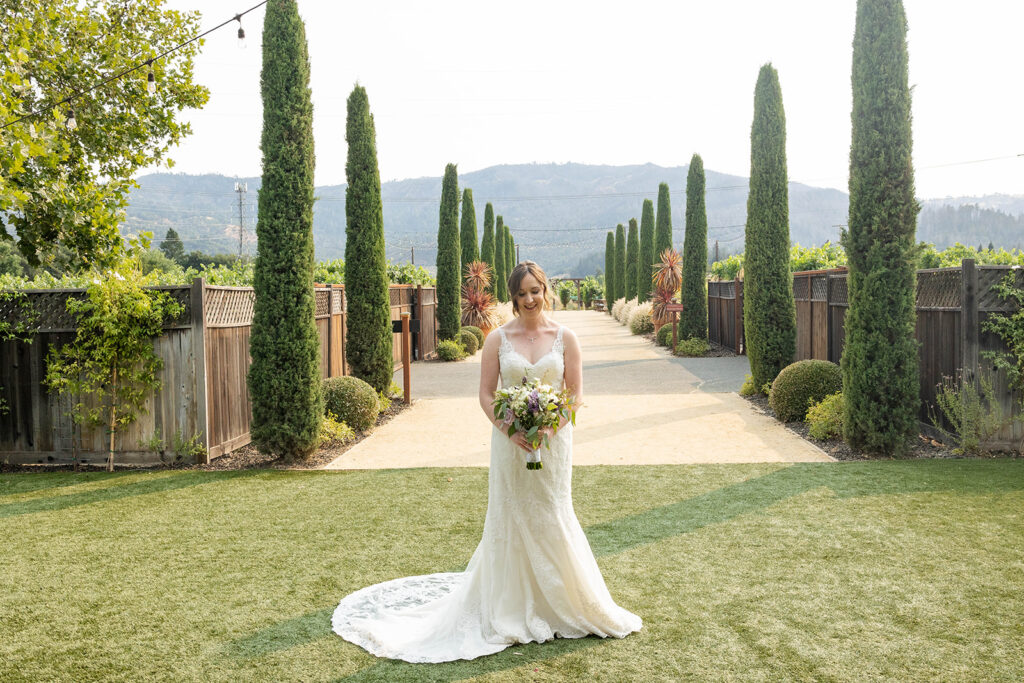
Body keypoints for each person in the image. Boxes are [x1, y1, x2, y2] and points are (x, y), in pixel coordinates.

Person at [331, 261, 641, 663]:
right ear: (513, 297)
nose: (530, 299)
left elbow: (575, 395)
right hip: (509, 445)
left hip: (554, 446)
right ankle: (509, 607)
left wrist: (548, 430)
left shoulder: (567, 338)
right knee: (510, 516)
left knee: (551, 513)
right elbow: (485, 393)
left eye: (536, 290)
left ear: (545, 290)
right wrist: (511, 431)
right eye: (522, 293)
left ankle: (563, 604)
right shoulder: (498, 339)